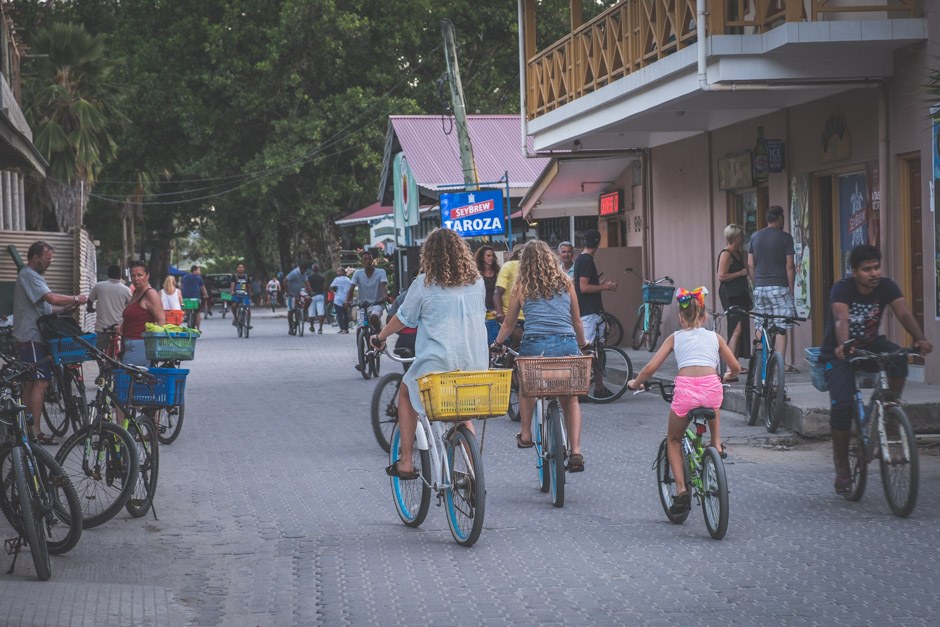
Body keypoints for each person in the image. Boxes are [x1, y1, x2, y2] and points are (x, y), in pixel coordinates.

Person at [371, 228, 488, 479]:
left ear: (429, 255)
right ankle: (472, 473)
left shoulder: (424, 284)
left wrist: (380, 337)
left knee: (405, 391)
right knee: (462, 415)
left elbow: (403, 318)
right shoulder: (477, 282)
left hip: (436, 363)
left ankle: (405, 462)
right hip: (475, 364)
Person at [821, 245, 932, 495]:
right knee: (842, 407)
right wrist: (844, 344)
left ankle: (889, 409)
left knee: (898, 359)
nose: (874, 273)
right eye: (866, 269)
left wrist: (920, 339)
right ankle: (842, 467)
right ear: (854, 271)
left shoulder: (887, 286)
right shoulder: (842, 288)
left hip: (871, 345)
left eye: (876, 267)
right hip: (839, 352)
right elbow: (842, 319)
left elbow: (902, 313)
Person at [627, 287, 740, 514]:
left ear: (680, 318)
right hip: (710, 390)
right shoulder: (715, 337)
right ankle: (716, 442)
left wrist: (636, 382)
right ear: (705, 316)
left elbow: (650, 369)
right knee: (714, 394)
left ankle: (681, 490)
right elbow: (736, 367)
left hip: (686, 392)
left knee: (674, 440)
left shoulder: (675, 338)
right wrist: (729, 376)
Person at [492, 240, 588, 472]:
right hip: (566, 344)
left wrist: (496, 344)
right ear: (551, 259)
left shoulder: (522, 285)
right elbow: (576, 320)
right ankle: (575, 451)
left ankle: (526, 434)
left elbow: (509, 323)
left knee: (527, 386)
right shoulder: (566, 283)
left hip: (536, 346)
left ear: (524, 263)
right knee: (571, 397)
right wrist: (583, 344)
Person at [12, 241, 89, 444]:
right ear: (35, 257)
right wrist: (76, 297)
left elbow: (48, 307)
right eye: (48, 258)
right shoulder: (29, 275)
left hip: (33, 336)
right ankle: (36, 432)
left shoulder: (35, 277)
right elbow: (51, 298)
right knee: (41, 382)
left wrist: (66, 309)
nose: (51, 262)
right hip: (31, 336)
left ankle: (28, 428)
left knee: (31, 382)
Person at [747, 205, 797, 371]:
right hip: (779, 287)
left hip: (760, 288)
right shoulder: (785, 238)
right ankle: (779, 366)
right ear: (780, 219)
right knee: (781, 326)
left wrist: (756, 283)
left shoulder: (754, 237)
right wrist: (790, 289)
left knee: (761, 323)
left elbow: (750, 263)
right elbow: (790, 266)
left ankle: (759, 361)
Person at [573, 229, 617, 346]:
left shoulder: (580, 259)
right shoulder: (587, 261)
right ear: (598, 243)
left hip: (586, 311)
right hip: (589, 313)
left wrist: (598, 283)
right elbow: (584, 287)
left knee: (595, 349)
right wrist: (605, 286)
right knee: (589, 350)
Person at [716, 224, 752, 364]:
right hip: (730, 294)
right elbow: (721, 276)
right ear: (735, 237)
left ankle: (735, 361)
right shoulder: (726, 253)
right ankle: (731, 365)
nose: (743, 238)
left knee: (741, 327)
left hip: (740, 293)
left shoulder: (737, 252)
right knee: (736, 327)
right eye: (741, 236)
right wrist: (740, 273)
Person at [121, 261, 166, 366]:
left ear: (147, 275)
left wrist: (155, 346)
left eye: (140, 275)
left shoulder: (150, 294)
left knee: (125, 378)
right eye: (133, 275)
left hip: (141, 345)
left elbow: (161, 320)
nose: (136, 278)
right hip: (129, 343)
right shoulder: (136, 292)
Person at [87, 264, 132, 352]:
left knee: (100, 352)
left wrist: (90, 308)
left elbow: (89, 300)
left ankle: (102, 365)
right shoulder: (126, 290)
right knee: (123, 351)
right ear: (120, 275)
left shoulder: (99, 286)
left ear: (108, 274)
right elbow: (131, 306)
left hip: (102, 327)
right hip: (119, 327)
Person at [493, 243, 525, 346]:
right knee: (519, 345)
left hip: (515, 316)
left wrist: (500, 314)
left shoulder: (508, 266)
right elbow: (498, 292)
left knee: (518, 346)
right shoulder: (510, 266)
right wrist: (500, 314)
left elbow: (497, 292)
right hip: (521, 317)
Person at [350, 251, 388, 332]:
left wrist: (385, 296)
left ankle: (379, 335)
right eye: (365, 259)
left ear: (372, 260)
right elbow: (351, 287)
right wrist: (347, 300)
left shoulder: (381, 272)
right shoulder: (357, 273)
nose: (367, 261)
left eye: (369, 259)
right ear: (362, 262)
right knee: (359, 327)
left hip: (377, 304)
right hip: (362, 305)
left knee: (373, 317)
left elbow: (383, 285)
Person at [474, 245, 501, 344]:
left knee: (493, 339)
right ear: (482, 257)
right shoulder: (476, 273)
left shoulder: (498, 272)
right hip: (480, 311)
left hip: (494, 311)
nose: (491, 258)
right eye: (488, 256)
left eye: (492, 256)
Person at [283, 262, 312, 335]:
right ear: (300, 268)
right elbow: (284, 281)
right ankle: (290, 328)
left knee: (309, 299)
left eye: (305, 271)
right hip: (291, 293)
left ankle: (304, 312)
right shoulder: (294, 273)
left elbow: (307, 282)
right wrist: (287, 291)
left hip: (299, 291)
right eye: (303, 270)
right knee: (291, 310)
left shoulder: (304, 273)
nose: (304, 272)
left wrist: (311, 291)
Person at [180, 265, 209, 330]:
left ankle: (187, 315)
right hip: (195, 298)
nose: (200, 272)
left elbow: (181, 287)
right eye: (199, 270)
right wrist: (206, 295)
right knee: (197, 313)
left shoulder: (184, 277)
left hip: (185, 298)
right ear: (195, 270)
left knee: (185, 308)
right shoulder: (198, 278)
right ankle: (198, 329)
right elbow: (203, 288)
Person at [330, 267, 353, 334]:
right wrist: (350, 299)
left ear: (342, 272)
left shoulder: (337, 279)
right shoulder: (348, 280)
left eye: (338, 271)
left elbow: (330, 287)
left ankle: (342, 329)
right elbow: (351, 290)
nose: (337, 273)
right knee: (345, 314)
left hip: (338, 299)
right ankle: (346, 329)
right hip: (346, 299)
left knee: (339, 315)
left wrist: (334, 288)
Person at [306, 264, 327, 334]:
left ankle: (312, 326)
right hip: (320, 295)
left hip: (312, 296)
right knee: (321, 312)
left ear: (312, 269)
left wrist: (308, 293)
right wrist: (325, 295)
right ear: (318, 269)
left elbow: (307, 287)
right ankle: (320, 328)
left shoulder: (309, 277)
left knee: (311, 312)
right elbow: (324, 287)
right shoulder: (322, 277)